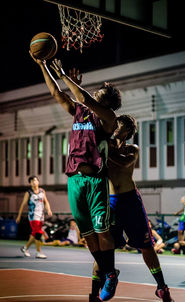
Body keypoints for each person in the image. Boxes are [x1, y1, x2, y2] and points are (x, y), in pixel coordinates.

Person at [30, 53, 122, 301]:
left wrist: (64, 77)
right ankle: (108, 272)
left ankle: (109, 273)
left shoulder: (108, 119)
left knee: (103, 232)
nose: (96, 93)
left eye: (100, 93)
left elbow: (82, 96)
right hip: (74, 181)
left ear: (107, 102)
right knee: (88, 236)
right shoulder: (81, 112)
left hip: (95, 182)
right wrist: (43, 66)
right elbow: (57, 94)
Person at [90, 115, 174, 302]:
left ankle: (161, 287)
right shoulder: (105, 143)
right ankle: (94, 293)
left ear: (127, 130)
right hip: (110, 201)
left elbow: (123, 162)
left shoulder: (132, 149)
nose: (114, 126)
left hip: (131, 201)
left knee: (146, 247)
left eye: (119, 124)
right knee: (105, 247)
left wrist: (102, 148)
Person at [16, 175, 52, 258]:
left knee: (34, 233)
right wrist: (19, 216)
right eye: (32, 181)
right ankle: (38, 252)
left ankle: (25, 248)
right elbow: (22, 205)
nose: (34, 182)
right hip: (33, 216)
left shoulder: (42, 191)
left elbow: (46, 202)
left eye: (35, 180)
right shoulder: (28, 193)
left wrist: (49, 209)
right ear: (30, 183)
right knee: (39, 232)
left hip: (41, 216)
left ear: (38, 182)